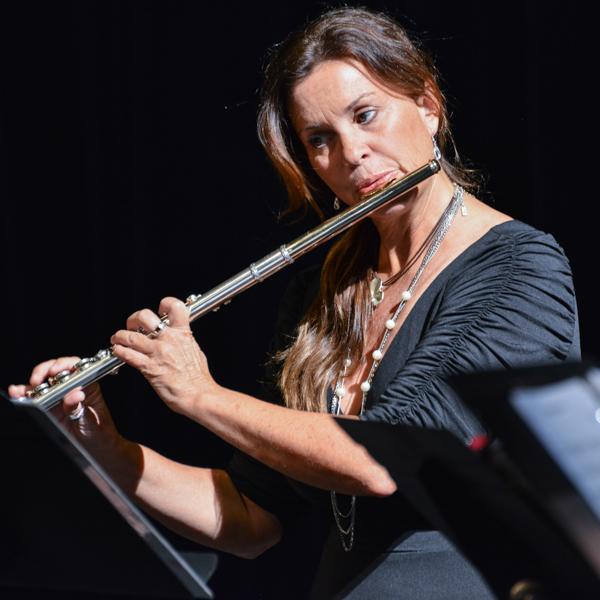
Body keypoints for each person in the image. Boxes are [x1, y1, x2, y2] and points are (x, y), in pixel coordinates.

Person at [9, 7, 580, 599]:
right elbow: (250, 521)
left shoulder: (519, 266)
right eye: (320, 140)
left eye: (366, 115)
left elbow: (387, 459)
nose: (351, 153)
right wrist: (102, 444)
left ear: (428, 106)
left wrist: (199, 394)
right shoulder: (325, 292)